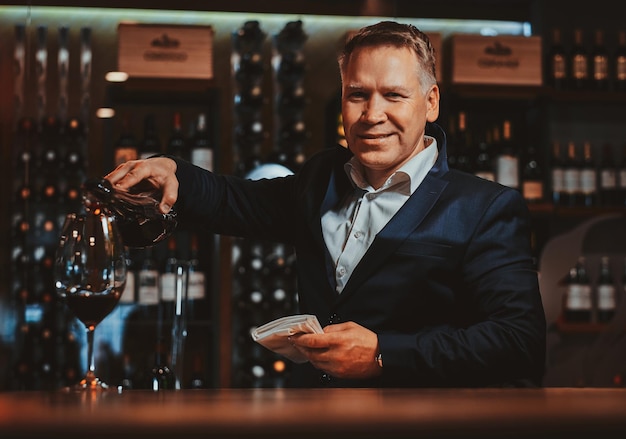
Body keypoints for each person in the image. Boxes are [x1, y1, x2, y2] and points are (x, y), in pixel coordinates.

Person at [106, 21, 546, 388]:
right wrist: (173, 173)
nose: (373, 114)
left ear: (430, 103)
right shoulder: (322, 179)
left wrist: (383, 354)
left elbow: (518, 341)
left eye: (394, 95)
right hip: (318, 419)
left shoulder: (485, 207)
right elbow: (236, 200)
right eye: (358, 95)